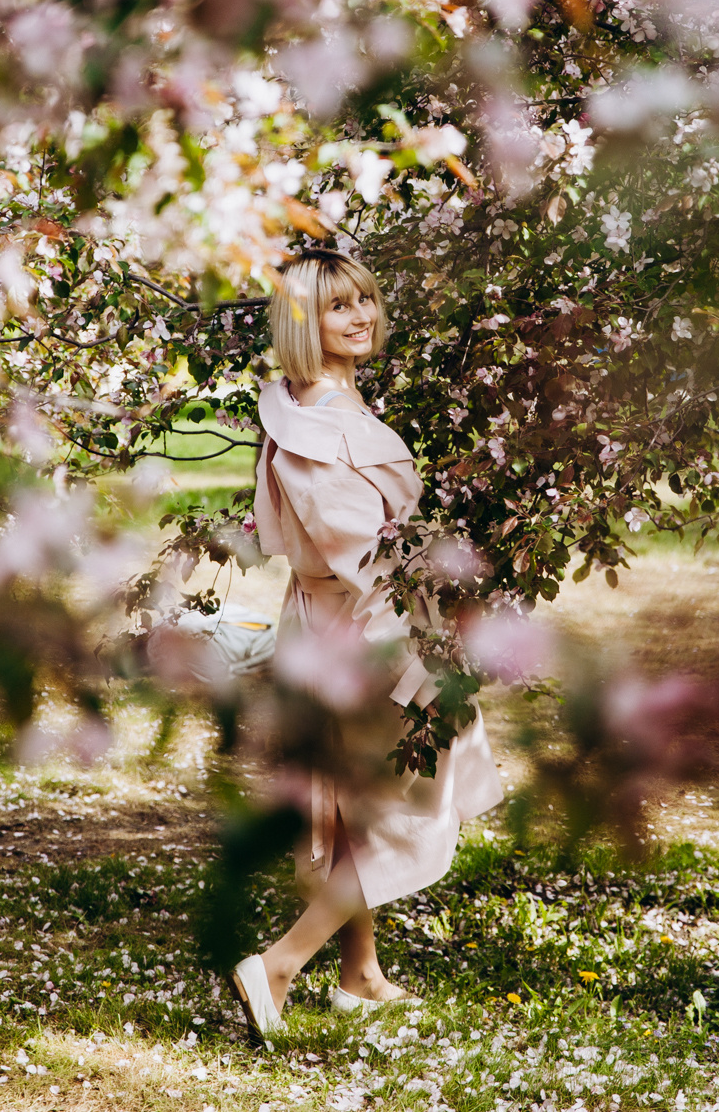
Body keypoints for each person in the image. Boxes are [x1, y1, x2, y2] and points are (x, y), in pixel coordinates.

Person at [228, 249, 502, 1043]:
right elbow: (361, 562)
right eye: (339, 307)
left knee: (355, 806)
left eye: (366, 301)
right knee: (408, 805)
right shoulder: (317, 431)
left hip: (338, 627)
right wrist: (420, 666)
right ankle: (277, 966)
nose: (362, 316)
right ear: (302, 325)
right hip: (364, 631)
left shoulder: (321, 407)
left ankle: (361, 973)